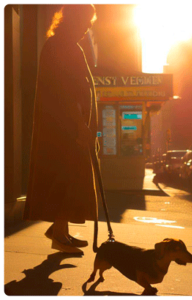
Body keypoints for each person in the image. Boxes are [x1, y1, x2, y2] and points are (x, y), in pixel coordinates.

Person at [23, 4, 99, 254]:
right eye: (86, 21)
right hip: (63, 130)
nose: (88, 27)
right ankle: (58, 234)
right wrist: (80, 125)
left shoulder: (65, 45)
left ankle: (60, 230)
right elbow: (65, 93)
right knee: (66, 178)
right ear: (75, 20)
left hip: (67, 127)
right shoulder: (60, 46)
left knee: (69, 178)